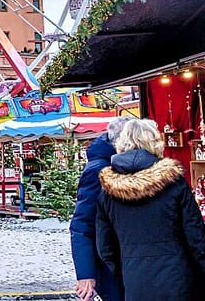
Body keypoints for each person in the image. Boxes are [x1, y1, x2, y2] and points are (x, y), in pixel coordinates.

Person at [97, 119, 205, 301]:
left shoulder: (108, 192)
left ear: (121, 144)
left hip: (136, 284)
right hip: (181, 282)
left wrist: (126, 274)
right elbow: (197, 240)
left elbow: (105, 248)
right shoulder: (173, 183)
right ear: (154, 142)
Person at [70, 117, 131, 301]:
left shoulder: (117, 164)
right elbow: (82, 225)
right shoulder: (100, 169)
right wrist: (86, 274)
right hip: (110, 263)